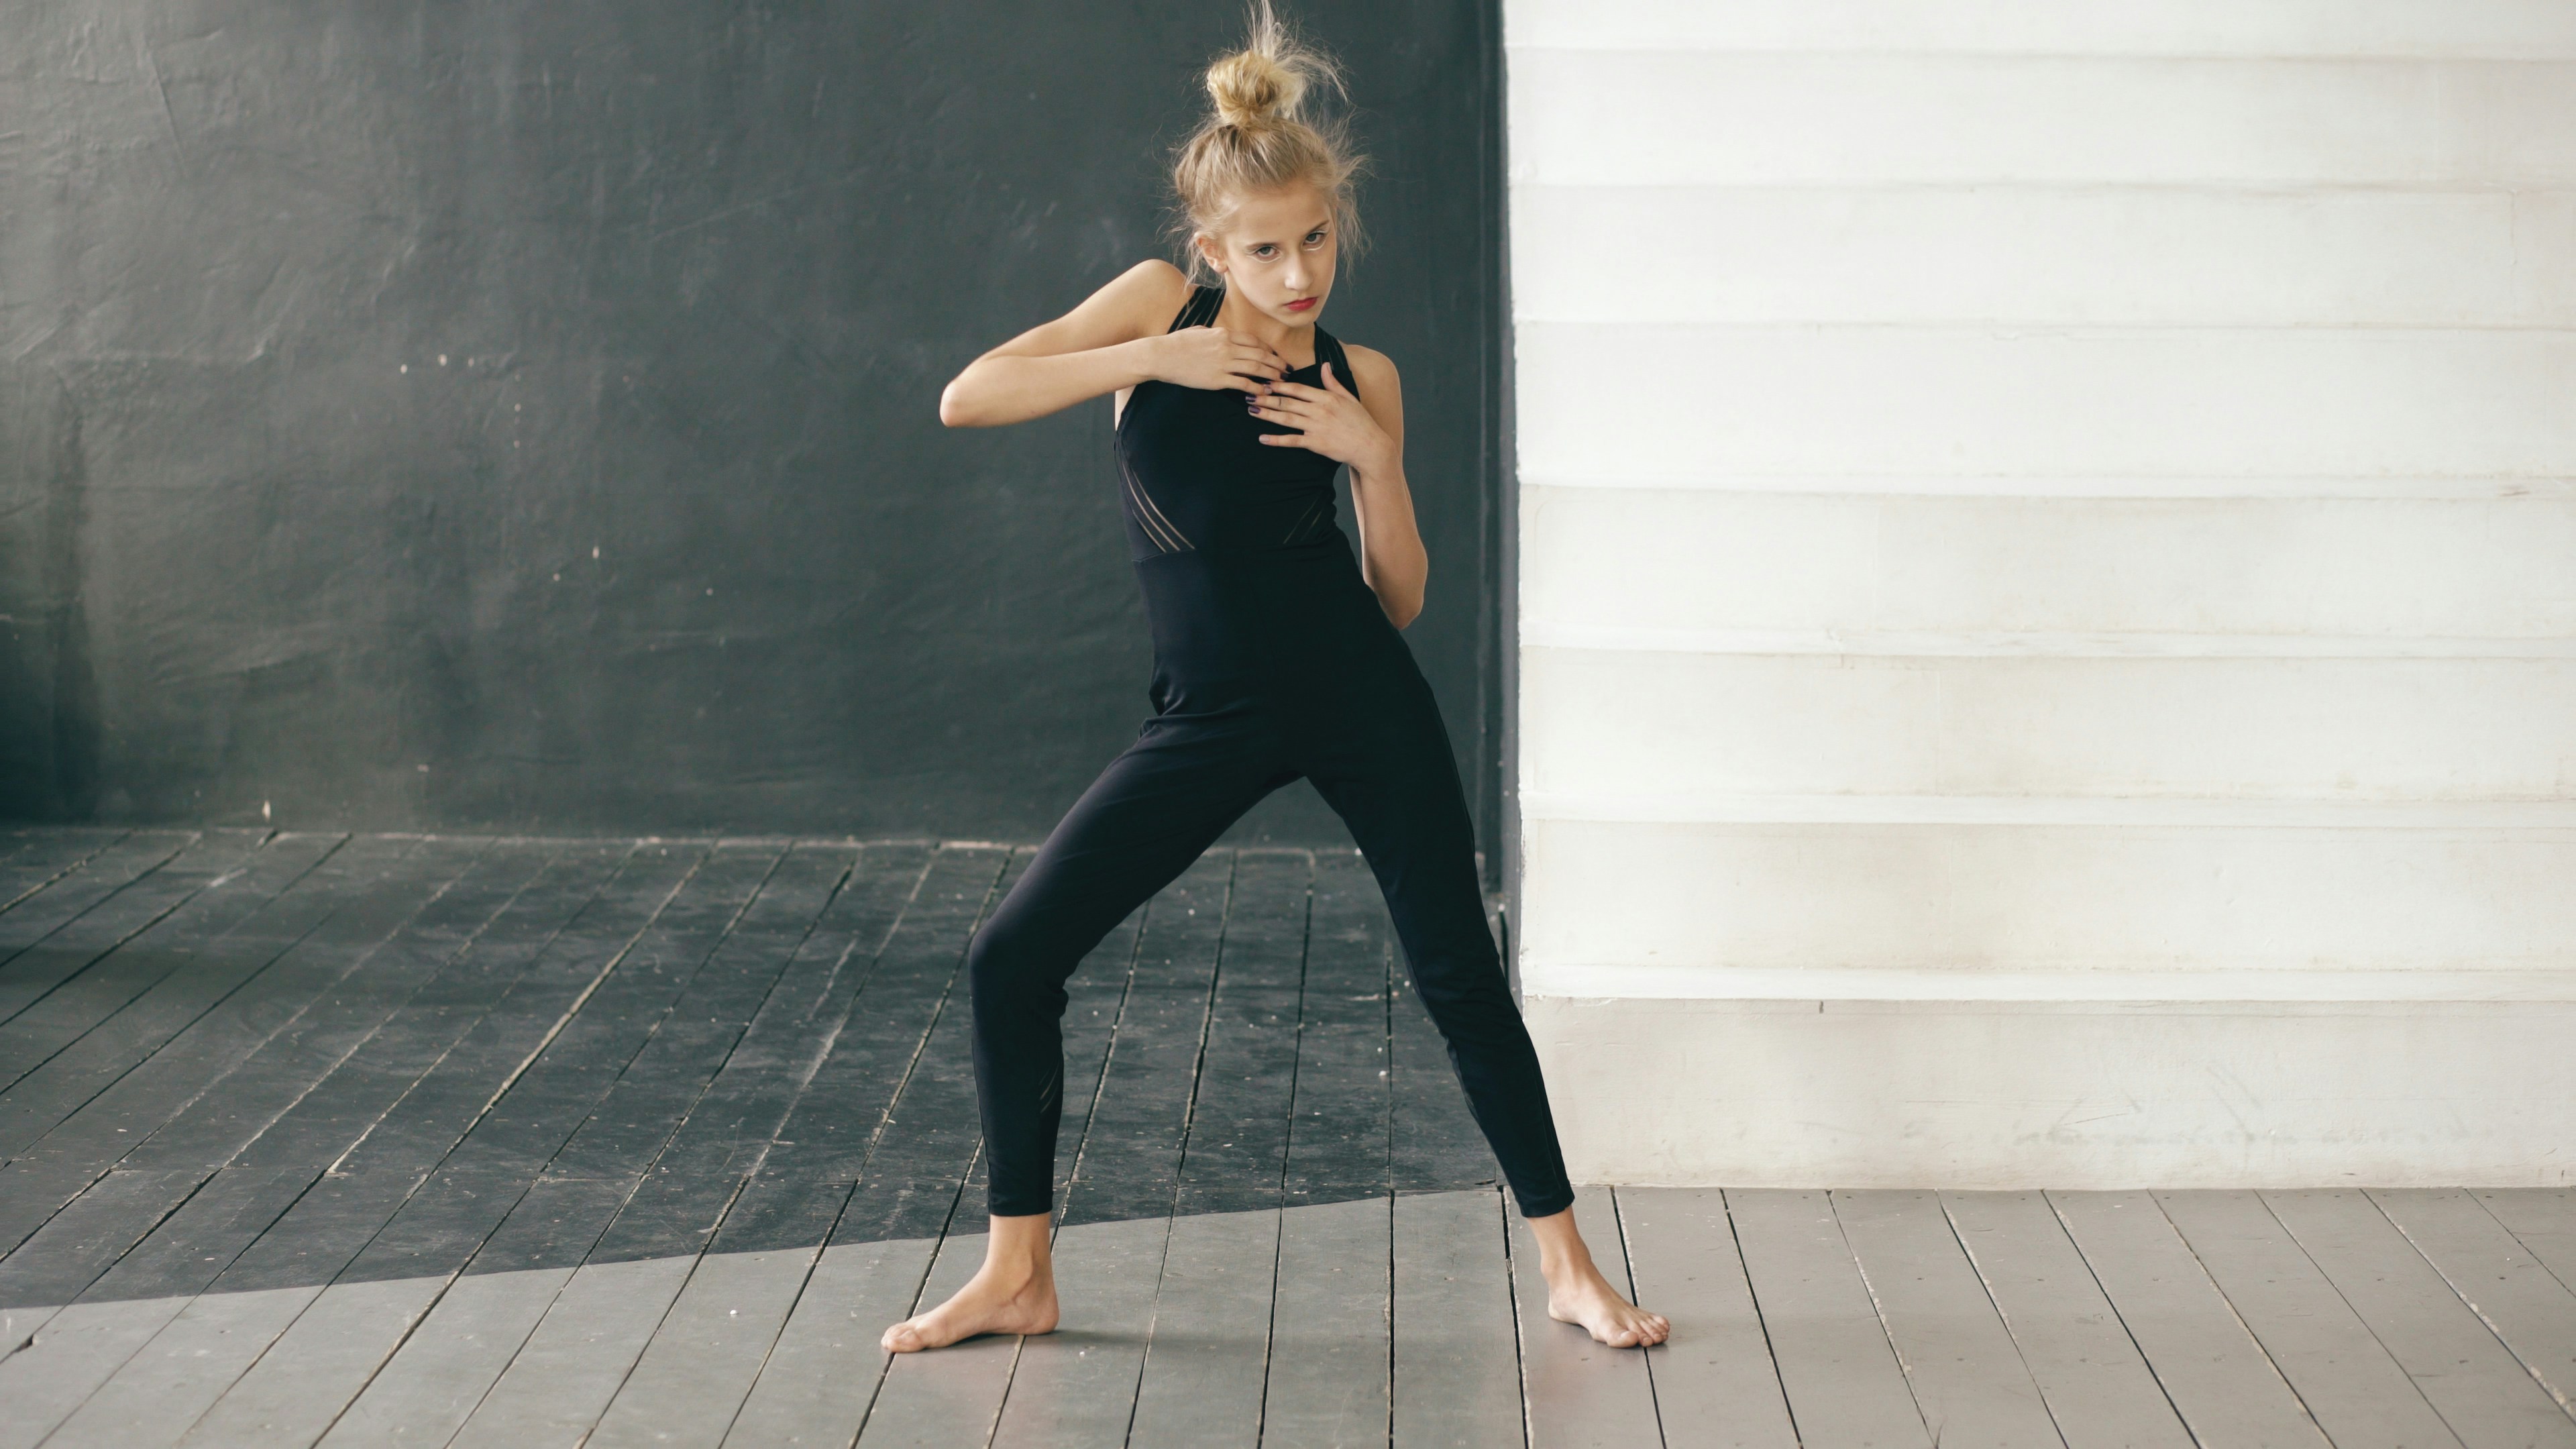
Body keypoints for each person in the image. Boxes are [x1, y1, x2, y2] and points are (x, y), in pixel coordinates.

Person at [885, 4, 1668, 1354]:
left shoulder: (1364, 374)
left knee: (1459, 977)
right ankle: (1019, 1271)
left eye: (1314, 242)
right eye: (1265, 250)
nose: (1297, 273)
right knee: (1012, 956)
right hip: (1208, 718)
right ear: (1211, 249)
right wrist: (1150, 359)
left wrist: (1375, 458)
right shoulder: (1156, 306)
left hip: (1357, 692)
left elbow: (1402, 598)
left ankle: (1569, 1266)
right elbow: (968, 396)